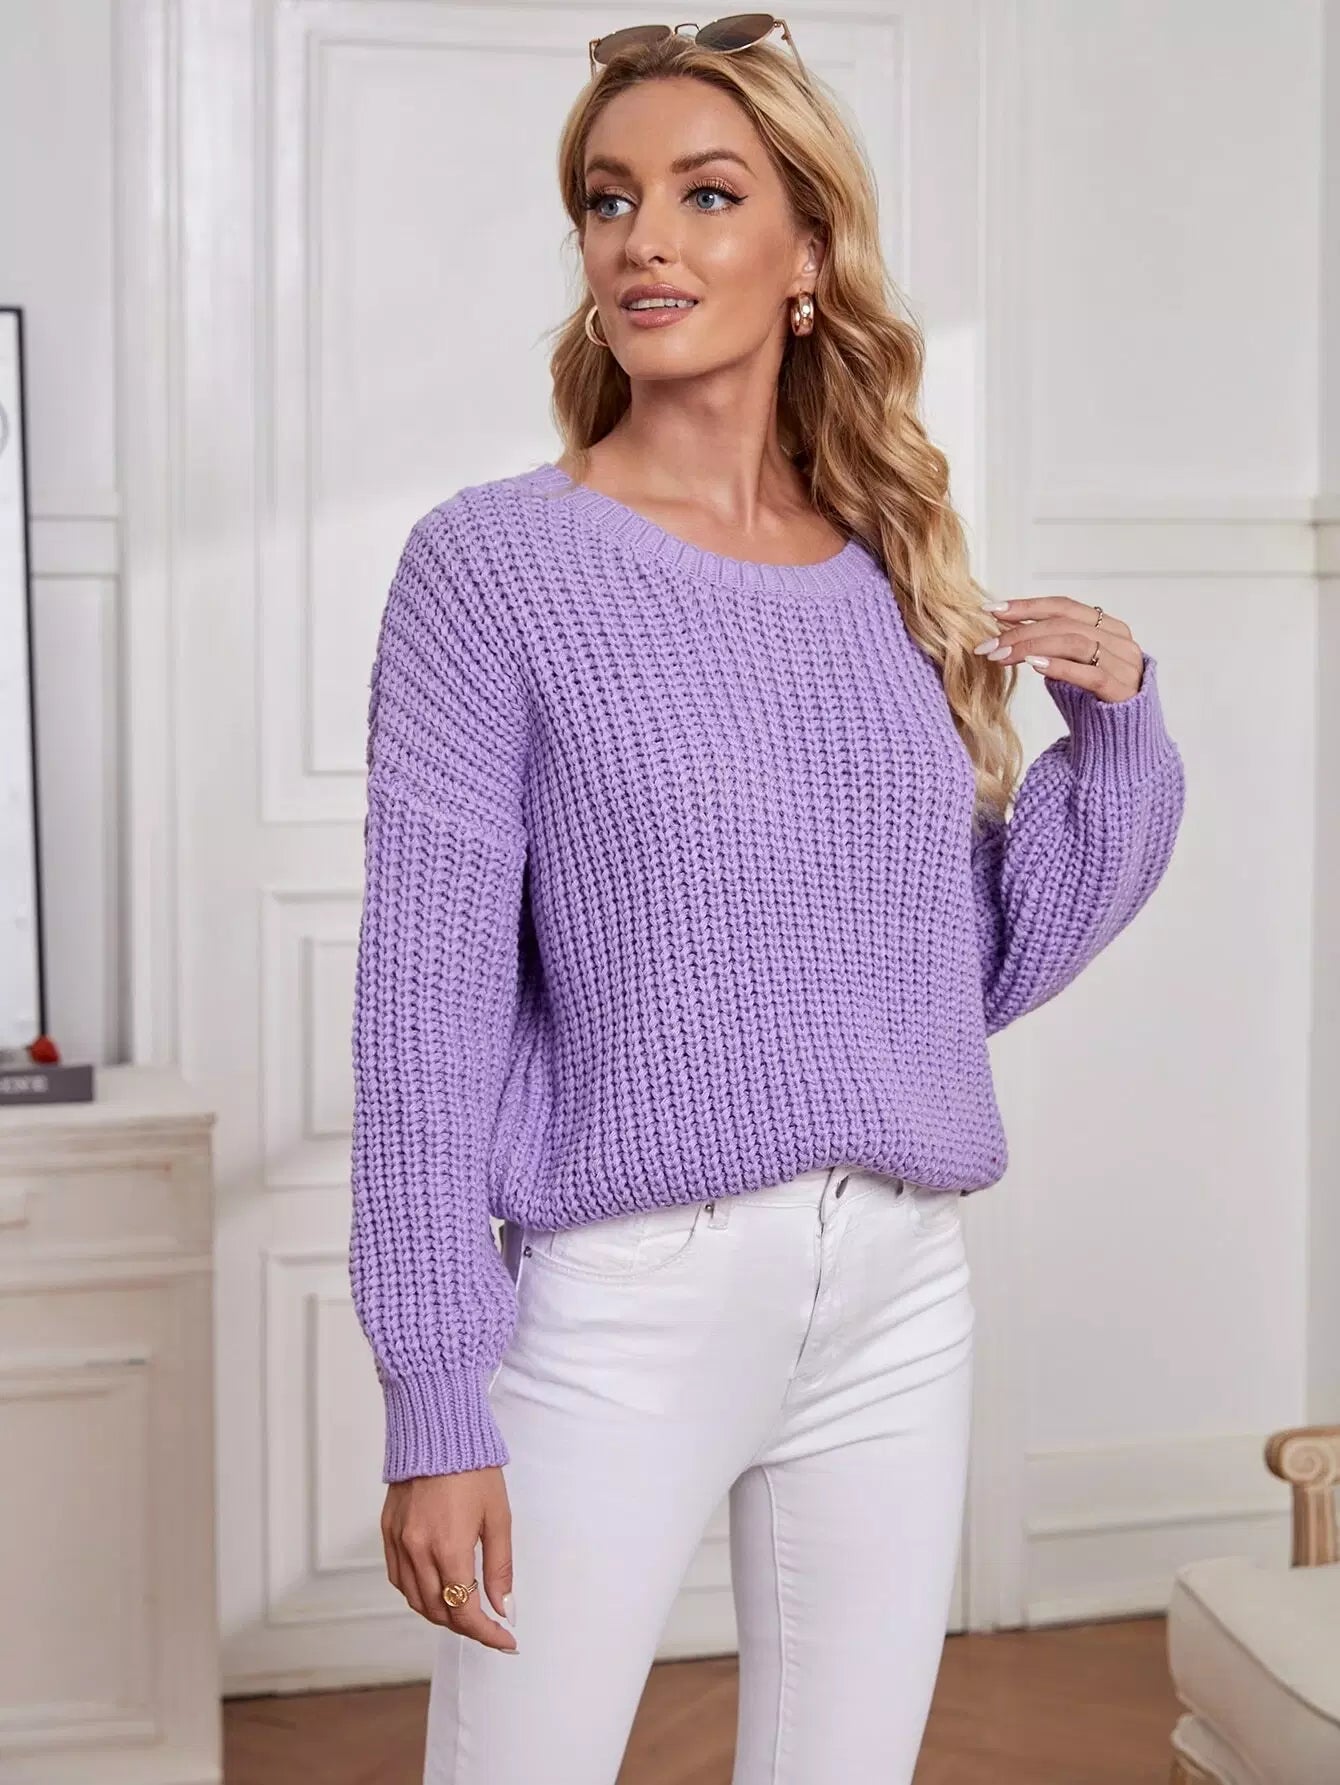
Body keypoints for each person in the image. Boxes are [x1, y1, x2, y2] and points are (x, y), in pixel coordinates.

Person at [347, 17, 1187, 1785]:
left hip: (897, 1289)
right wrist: (435, 1396)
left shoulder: (888, 570)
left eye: (705, 195)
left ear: (809, 252)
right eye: (609, 200)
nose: (644, 240)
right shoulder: (490, 568)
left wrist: (1113, 741)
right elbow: (423, 1021)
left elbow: (964, 967)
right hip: (621, 1303)